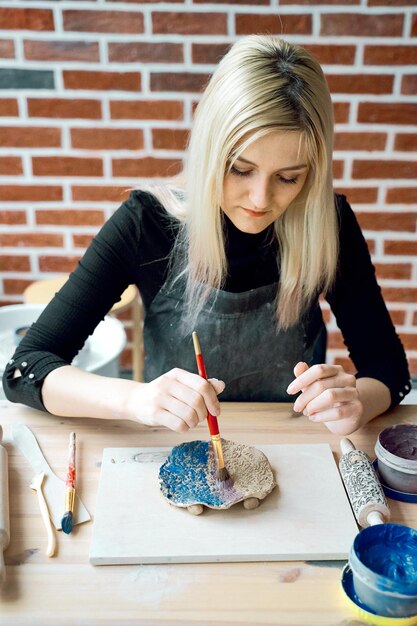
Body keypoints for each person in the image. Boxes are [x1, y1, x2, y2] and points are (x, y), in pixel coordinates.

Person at [3, 35, 411, 436]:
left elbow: (390, 373)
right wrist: (134, 400)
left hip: (291, 444)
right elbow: (26, 369)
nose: (260, 199)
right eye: (239, 168)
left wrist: (357, 401)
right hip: (175, 444)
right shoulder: (147, 223)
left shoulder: (328, 222)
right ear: (211, 150)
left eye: (289, 178)